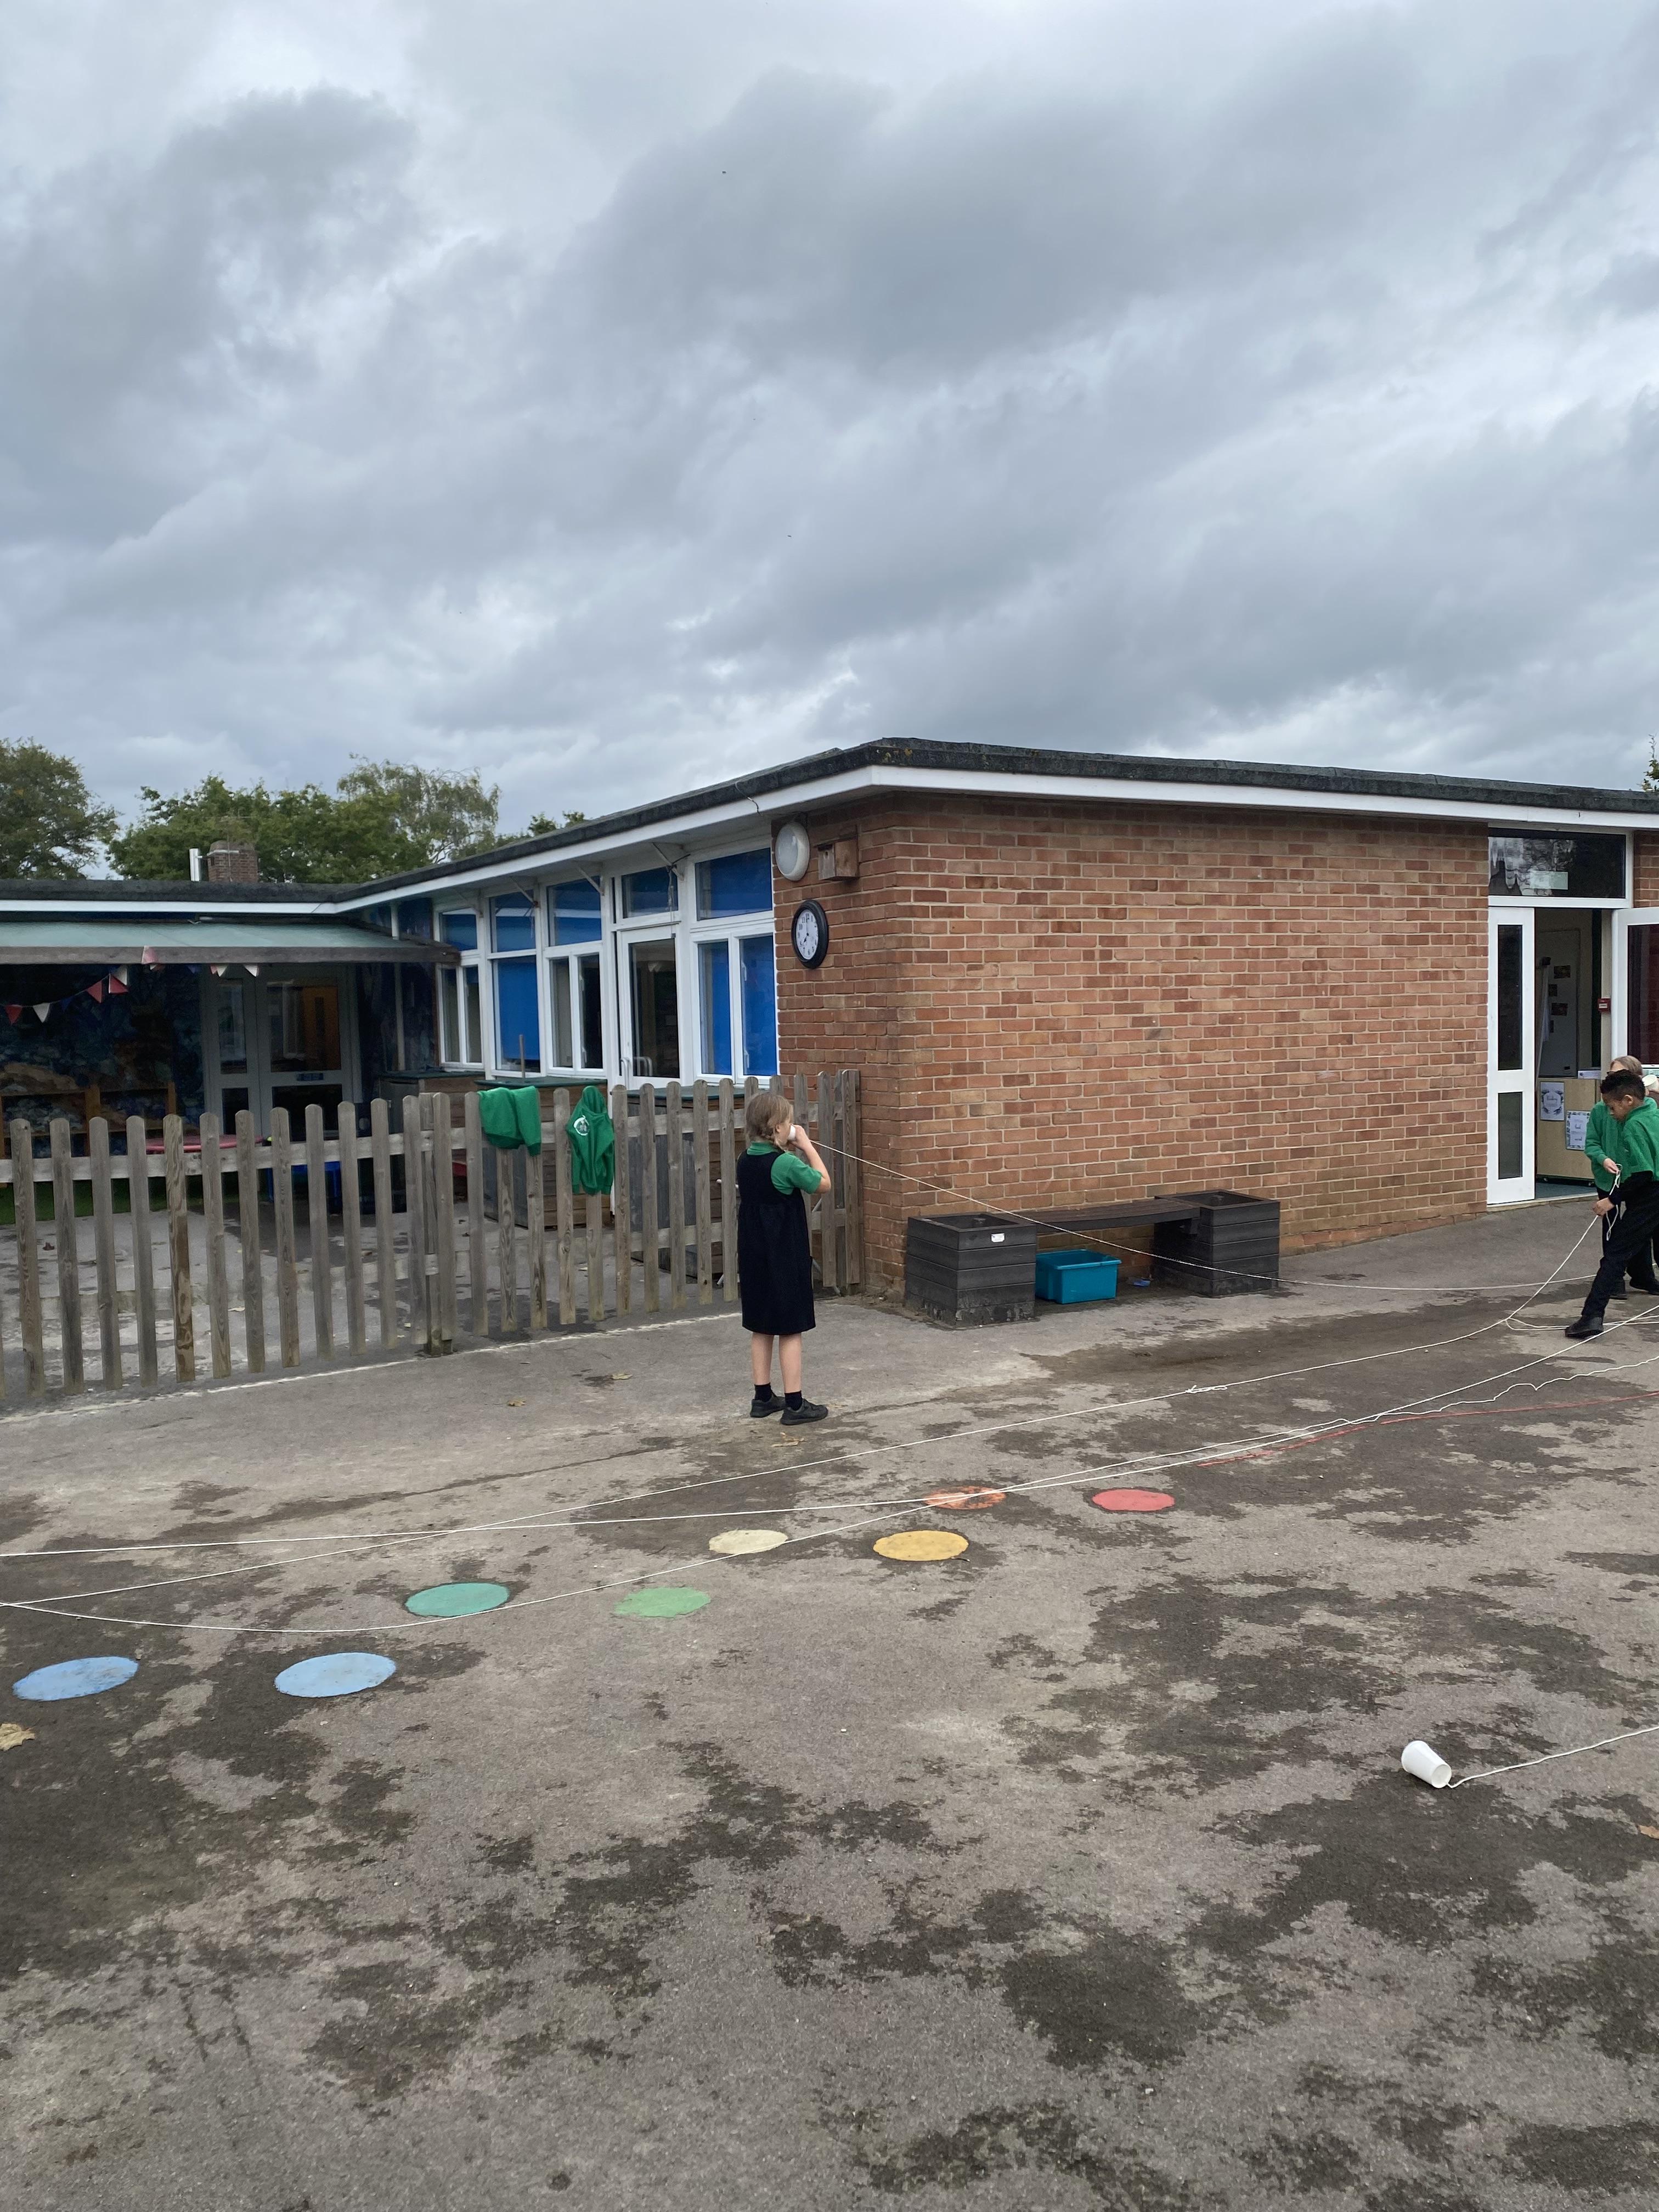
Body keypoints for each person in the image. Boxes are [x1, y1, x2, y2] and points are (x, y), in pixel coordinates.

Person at [737, 1089, 830, 1423]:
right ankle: (794, 1404)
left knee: (761, 1326)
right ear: (778, 1127)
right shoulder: (786, 1163)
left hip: (754, 1256)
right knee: (791, 1328)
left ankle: (762, 1397)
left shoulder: (744, 1159)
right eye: (789, 1122)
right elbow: (823, 1183)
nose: (792, 1127)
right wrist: (806, 1145)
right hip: (784, 1255)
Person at [1565, 1068, 1659, 1338]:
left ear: (1628, 1101)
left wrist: (1612, 1199)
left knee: (1615, 1256)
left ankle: (1591, 1317)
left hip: (1651, 1195)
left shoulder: (1633, 1126)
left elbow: (1643, 1174)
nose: (1609, 1112)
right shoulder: (1653, 1113)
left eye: (1611, 1106)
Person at [1583, 1055, 1659, 1300]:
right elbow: (1592, 1143)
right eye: (1611, 1075)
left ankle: (1642, 1276)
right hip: (1611, 1178)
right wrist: (1602, 1158)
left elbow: (1646, 1165)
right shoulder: (1601, 1111)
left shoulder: (1643, 1114)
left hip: (1637, 1181)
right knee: (1613, 1230)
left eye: (1619, 1075)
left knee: (1639, 1230)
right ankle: (1614, 1280)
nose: (1613, 1079)